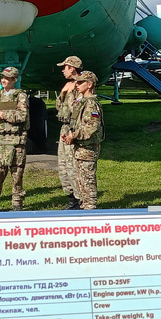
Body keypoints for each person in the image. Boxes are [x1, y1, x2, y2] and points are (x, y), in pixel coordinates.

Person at [0, 66, 28, 210]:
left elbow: (22, 116)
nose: (3, 80)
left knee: (17, 175)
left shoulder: (20, 96)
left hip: (16, 142)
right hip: (0, 142)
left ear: (14, 80)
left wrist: (2, 115)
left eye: (7, 78)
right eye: (2, 77)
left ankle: (17, 204)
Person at [62, 71, 103, 209]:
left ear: (89, 84)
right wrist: (70, 135)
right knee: (80, 183)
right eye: (77, 82)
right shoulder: (82, 102)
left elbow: (92, 127)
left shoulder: (91, 104)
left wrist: (74, 135)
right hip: (80, 149)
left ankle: (90, 211)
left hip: (88, 149)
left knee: (88, 183)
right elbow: (77, 123)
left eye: (80, 82)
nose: (77, 85)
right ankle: (84, 208)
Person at [55, 56, 82, 208]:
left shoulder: (82, 85)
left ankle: (80, 198)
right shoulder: (68, 85)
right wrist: (63, 92)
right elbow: (59, 107)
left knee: (73, 166)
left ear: (72, 68)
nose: (63, 70)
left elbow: (79, 110)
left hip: (74, 128)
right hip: (64, 127)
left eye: (64, 67)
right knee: (63, 165)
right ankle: (71, 198)